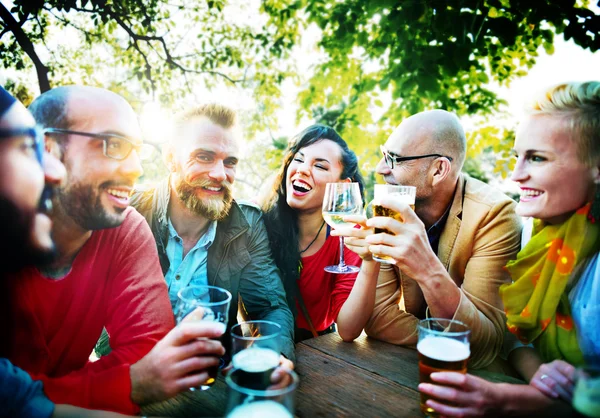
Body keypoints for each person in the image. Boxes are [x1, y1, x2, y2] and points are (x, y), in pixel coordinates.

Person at [2, 86, 225, 415]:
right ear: (46, 148)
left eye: (137, 150)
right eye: (113, 145)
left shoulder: (125, 229)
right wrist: (129, 383)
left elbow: (148, 352)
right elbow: (144, 375)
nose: (136, 169)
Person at [418, 81, 600, 417]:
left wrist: (509, 400)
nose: (516, 175)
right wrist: (542, 377)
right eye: (517, 156)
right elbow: (513, 334)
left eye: (537, 158)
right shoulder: (536, 231)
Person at [130, 103, 295, 361]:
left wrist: (270, 357)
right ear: (171, 158)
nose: (220, 174)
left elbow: (269, 308)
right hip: (129, 377)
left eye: (229, 162)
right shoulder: (129, 212)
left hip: (212, 379)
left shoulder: (248, 225)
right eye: (204, 157)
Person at [358, 109, 522, 368]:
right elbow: (377, 318)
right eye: (383, 155)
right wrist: (443, 338)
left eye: (394, 159)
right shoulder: (390, 206)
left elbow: (482, 345)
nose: (380, 169)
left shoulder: (495, 215)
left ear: (438, 170)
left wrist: (426, 268)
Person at [260, 124, 379, 342]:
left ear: (342, 186)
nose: (303, 169)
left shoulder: (350, 238)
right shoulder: (259, 222)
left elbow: (349, 329)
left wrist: (370, 261)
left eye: (320, 167)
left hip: (318, 347)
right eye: (298, 159)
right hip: (264, 341)